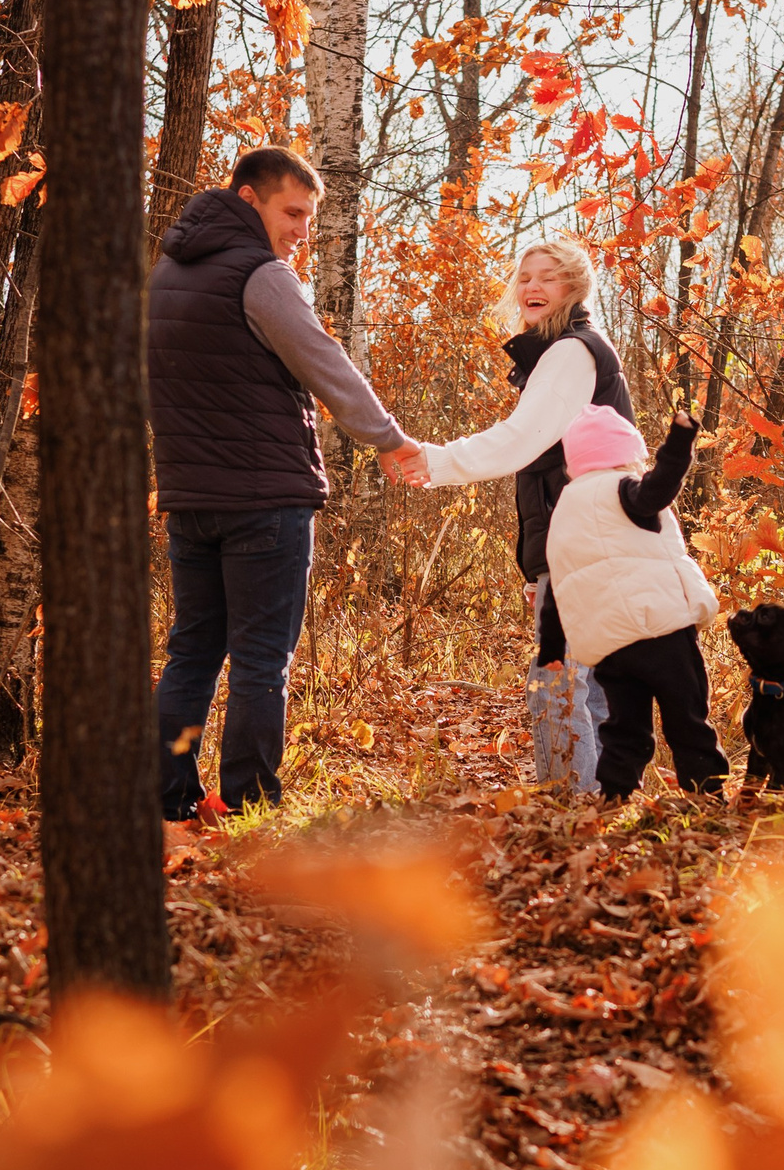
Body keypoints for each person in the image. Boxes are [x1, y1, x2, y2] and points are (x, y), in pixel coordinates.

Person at [146, 145, 422, 831]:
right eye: (292, 213)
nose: (301, 230)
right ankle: (249, 807)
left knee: (192, 653)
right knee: (261, 660)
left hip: (191, 499)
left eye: (308, 217)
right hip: (265, 502)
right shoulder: (262, 275)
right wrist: (388, 437)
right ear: (249, 199)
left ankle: (166, 799)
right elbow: (325, 363)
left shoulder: (165, 275)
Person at [405, 239, 635, 788]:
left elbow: (520, 441)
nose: (533, 286)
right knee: (595, 686)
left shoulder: (571, 352)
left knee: (559, 682)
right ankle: (608, 804)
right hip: (593, 542)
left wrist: (434, 460)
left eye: (548, 277)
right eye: (526, 276)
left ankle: (566, 807)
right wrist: (538, 571)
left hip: (585, 543)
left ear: (574, 288)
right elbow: (548, 467)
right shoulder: (569, 351)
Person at [543, 404, 728, 802]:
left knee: (625, 727)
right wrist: (679, 441)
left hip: (611, 647)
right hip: (660, 631)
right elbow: (658, 488)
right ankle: (707, 794)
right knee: (687, 717)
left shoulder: (565, 511)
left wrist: (553, 647)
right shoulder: (624, 488)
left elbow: (562, 584)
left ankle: (615, 796)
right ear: (627, 452)